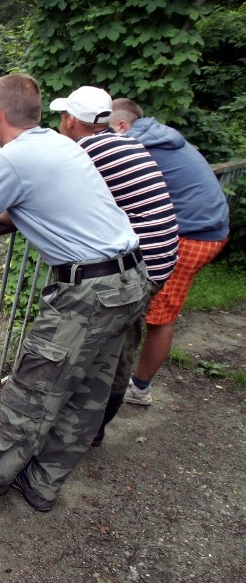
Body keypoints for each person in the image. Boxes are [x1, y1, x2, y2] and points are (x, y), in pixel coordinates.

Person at [0, 74, 148, 513]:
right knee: (87, 392)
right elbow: (31, 200)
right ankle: (42, 484)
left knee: (34, 388)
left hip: (92, 291)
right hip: (132, 278)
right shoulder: (60, 145)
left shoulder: (12, 158)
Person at [49, 86, 179, 446]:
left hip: (135, 266)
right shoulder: (126, 143)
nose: (60, 123)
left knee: (101, 352)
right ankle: (94, 429)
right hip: (160, 258)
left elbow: (47, 199)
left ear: (72, 120)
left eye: (62, 117)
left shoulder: (86, 152)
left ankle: (80, 433)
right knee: (120, 344)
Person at [109, 99, 230, 405]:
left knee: (160, 316)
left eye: (106, 129)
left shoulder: (138, 147)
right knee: (154, 310)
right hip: (207, 230)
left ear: (122, 126)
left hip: (193, 235)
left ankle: (138, 388)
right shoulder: (160, 137)